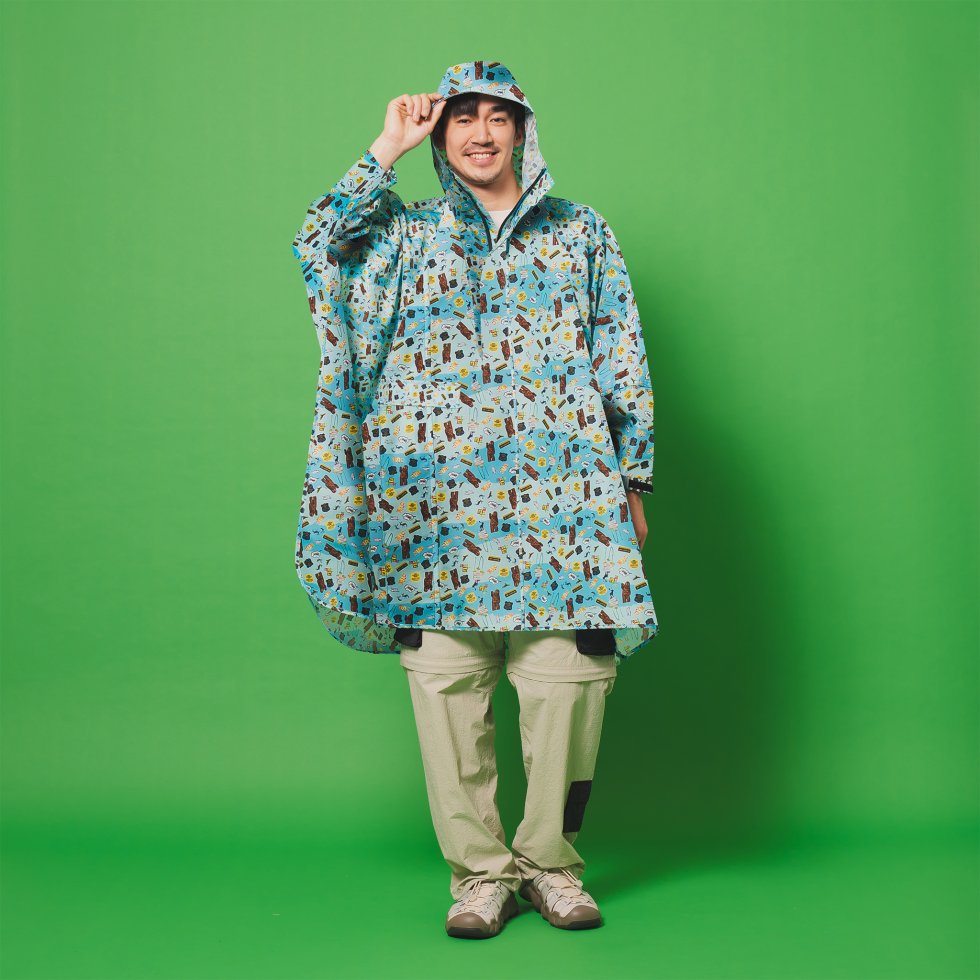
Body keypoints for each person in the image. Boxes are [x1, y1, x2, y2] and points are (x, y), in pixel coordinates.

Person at [290, 60, 659, 939]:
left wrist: (634, 479)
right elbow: (316, 247)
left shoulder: (582, 233)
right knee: (447, 698)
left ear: (524, 132)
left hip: (568, 509)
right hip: (431, 517)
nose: (482, 133)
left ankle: (551, 866)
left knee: (571, 689)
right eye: (463, 117)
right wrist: (387, 146)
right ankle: (480, 878)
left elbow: (621, 355)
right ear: (442, 133)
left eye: (499, 117)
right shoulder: (402, 234)